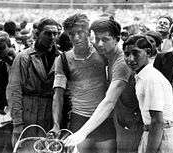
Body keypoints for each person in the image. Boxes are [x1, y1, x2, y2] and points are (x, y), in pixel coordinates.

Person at [63, 17, 143, 153]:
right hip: (121, 121)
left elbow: (109, 101)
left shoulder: (122, 62)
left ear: (117, 39)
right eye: (96, 38)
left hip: (133, 124)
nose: (99, 44)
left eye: (105, 39)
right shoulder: (107, 55)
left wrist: (82, 132)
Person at [52, 14, 117, 153]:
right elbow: (58, 95)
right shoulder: (63, 59)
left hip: (104, 118)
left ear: (88, 32)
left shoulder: (102, 52)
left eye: (80, 33)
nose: (76, 38)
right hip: (79, 118)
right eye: (71, 34)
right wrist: (56, 125)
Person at [123, 34, 173, 153]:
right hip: (154, 134)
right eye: (127, 54)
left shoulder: (150, 78)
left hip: (165, 138)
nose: (131, 59)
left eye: (135, 53)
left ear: (148, 52)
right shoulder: (142, 76)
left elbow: (157, 121)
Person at [6, 17, 60, 146]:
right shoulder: (24, 57)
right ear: (37, 34)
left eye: (55, 34)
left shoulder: (61, 58)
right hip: (28, 116)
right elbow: (14, 91)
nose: (52, 37)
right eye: (47, 33)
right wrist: (18, 123)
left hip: (51, 118)